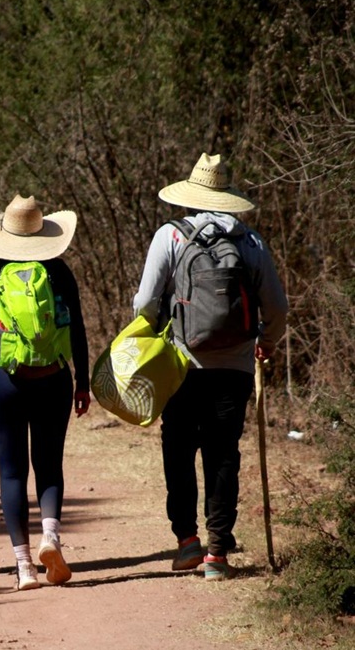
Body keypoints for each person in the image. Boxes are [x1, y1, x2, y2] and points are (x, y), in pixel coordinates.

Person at [133, 153, 288, 581]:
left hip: (181, 364)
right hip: (235, 366)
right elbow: (277, 306)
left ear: (190, 195)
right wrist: (266, 342)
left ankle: (187, 543)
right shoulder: (250, 242)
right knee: (223, 455)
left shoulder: (170, 236)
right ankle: (218, 554)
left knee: (178, 450)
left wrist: (154, 331)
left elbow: (145, 302)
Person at [0, 194, 90, 590]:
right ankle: (50, 538)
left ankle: (23, 568)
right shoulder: (58, 271)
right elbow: (78, 329)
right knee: (49, 465)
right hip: (53, 377)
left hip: (5, 381)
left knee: (11, 471)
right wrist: (82, 382)